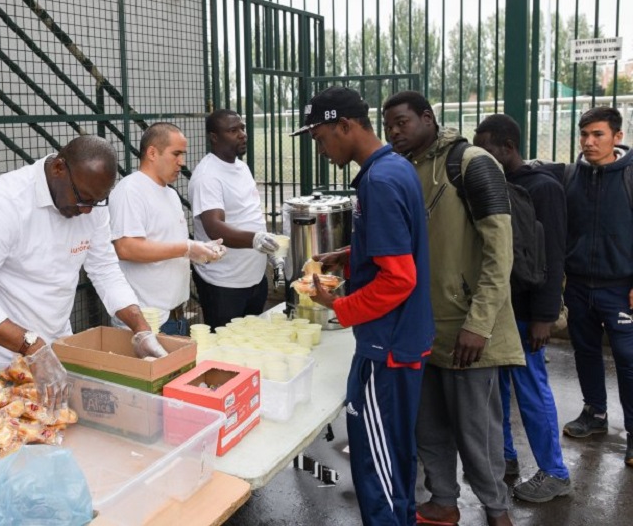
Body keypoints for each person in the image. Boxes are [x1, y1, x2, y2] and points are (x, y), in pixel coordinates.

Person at [293, 86, 434, 525]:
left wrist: (340, 304)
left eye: (320, 138)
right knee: (395, 454)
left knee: (376, 464)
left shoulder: (381, 180)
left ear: (345, 126)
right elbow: (394, 249)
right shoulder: (394, 168)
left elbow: (399, 277)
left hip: (385, 347)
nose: (321, 148)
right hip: (400, 339)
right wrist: (351, 258)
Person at [382, 91, 523, 526]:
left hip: (468, 330)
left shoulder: (472, 163)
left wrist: (479, 324)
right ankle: (443, 501)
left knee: (476, 434)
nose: (394, 132)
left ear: (428, 118)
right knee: (430, 429)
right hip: (423, 329)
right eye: (388, 125)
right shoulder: (403, 169)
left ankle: (497, 511)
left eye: (402, 122)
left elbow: (501, 251)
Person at [0, 135, 167, 403]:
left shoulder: (91, 203)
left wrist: (140, 329)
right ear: (59, 168)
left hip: (55, 352)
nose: (87, 210)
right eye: (83, 198)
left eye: (97, 202)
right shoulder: (4, 203)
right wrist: (32, 347)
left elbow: (105, 270)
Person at [474, 114, 571, 502]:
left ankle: (555, 472)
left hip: (528, 312)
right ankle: (504, 457)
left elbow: (554, 255)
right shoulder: (495, 185)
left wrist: (545, 316)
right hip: (498, 309)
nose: (478, 159)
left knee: (531, 390)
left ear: (507, 148)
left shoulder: (543, 188)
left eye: (485, 150)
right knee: (496, 391)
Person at [559, 106, 633, 468]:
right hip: (578, 285)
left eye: (598, 134)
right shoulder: (573, 175)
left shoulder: (630, 176)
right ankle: (595, 414)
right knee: (585, 352)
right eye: (584, 134)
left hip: (620, 288)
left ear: (617, 137)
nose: (589, 142)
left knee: (628, 360)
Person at [108, 123, 225, 336]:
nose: (182, 162)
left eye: (183, 154)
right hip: (145, 322)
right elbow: (126, 248)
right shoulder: (130, 190)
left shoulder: (170, 194)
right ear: (152, 152)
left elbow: (168, 245)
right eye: (176, 154)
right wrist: (187, 248)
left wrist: (200, 251)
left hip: (175, 316)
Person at [188, 109, 282, 329]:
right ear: (214, 137)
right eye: (233, 130)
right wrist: (256, 239)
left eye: (242, 128)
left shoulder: (241, 167)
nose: (242, 134)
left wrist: (270, 250)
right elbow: (214, 228)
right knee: (226, 350)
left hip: (254, 279)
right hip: (224, 284)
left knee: (250, 344)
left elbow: (249, 215)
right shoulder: (207, 176)